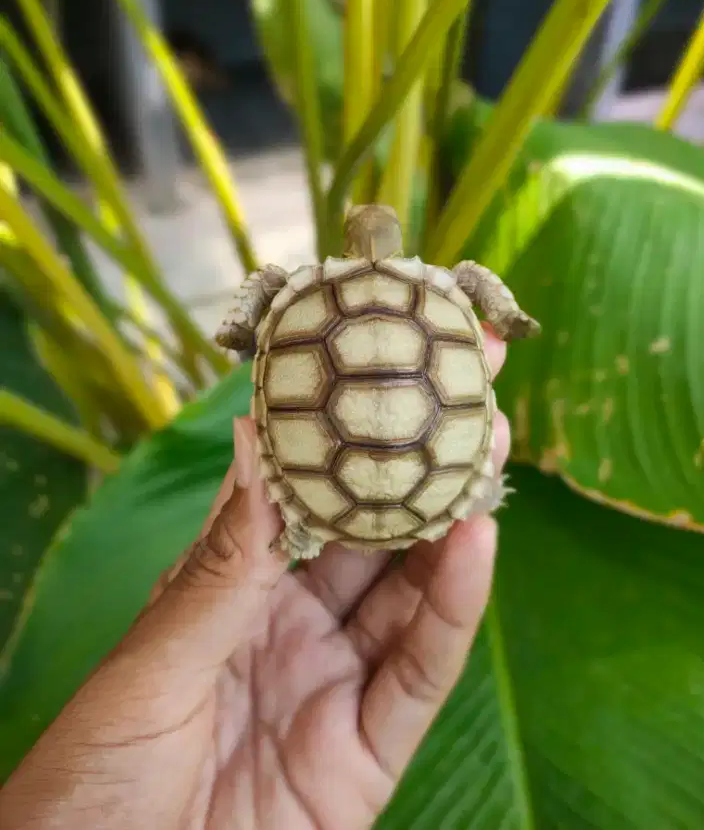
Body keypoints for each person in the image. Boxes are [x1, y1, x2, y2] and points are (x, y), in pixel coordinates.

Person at [0, 330, 511, 830]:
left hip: (328, 505)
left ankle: (460, 504)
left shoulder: (307, 301)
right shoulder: (435, 300)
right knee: (463, 534)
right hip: (409, 498)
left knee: (451, 540)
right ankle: (469, 500)